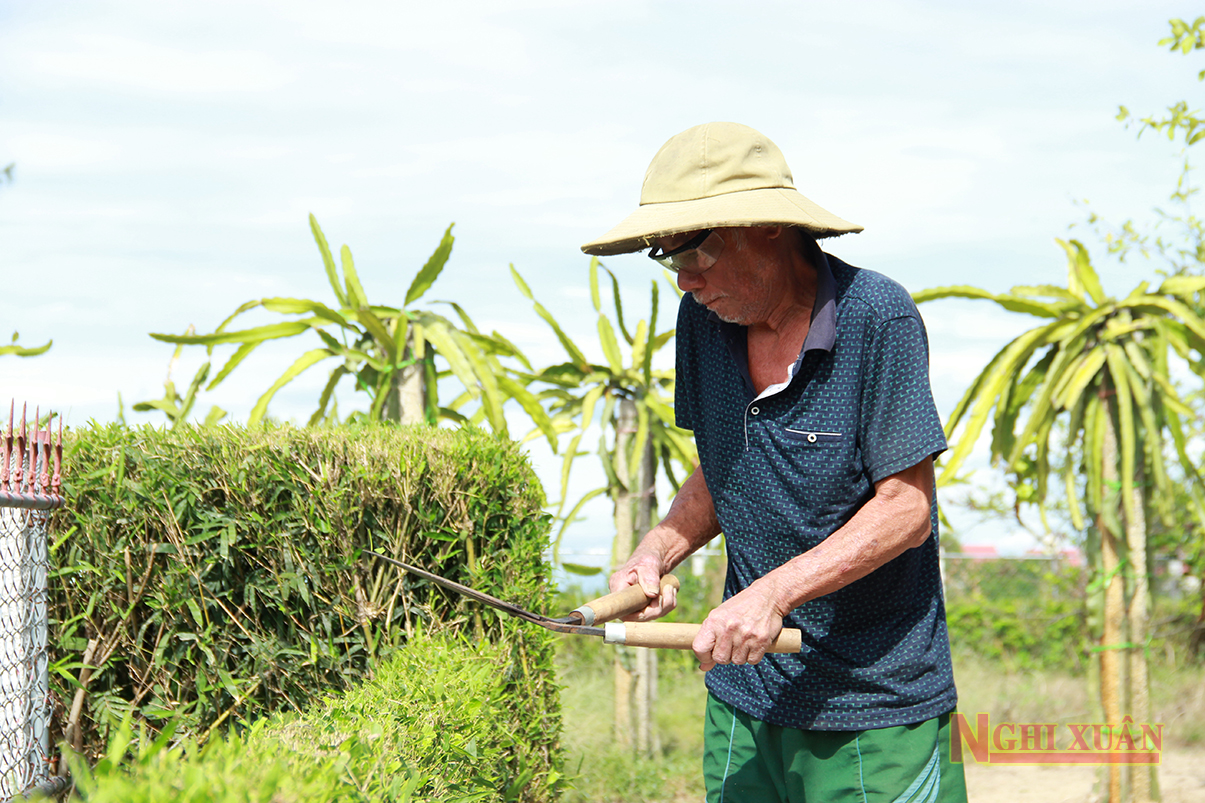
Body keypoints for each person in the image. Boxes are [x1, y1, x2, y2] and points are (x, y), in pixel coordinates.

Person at [580, 122, 968, 803]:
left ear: (766, 228)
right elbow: (722, 463)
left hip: (872, 707)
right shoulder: (703, 322)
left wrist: (771, 593)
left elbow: (905, 509)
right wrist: (657, 549)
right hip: (745, 697)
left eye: (695, 251)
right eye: (667, 259)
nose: (686, 281)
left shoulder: (876, 316)